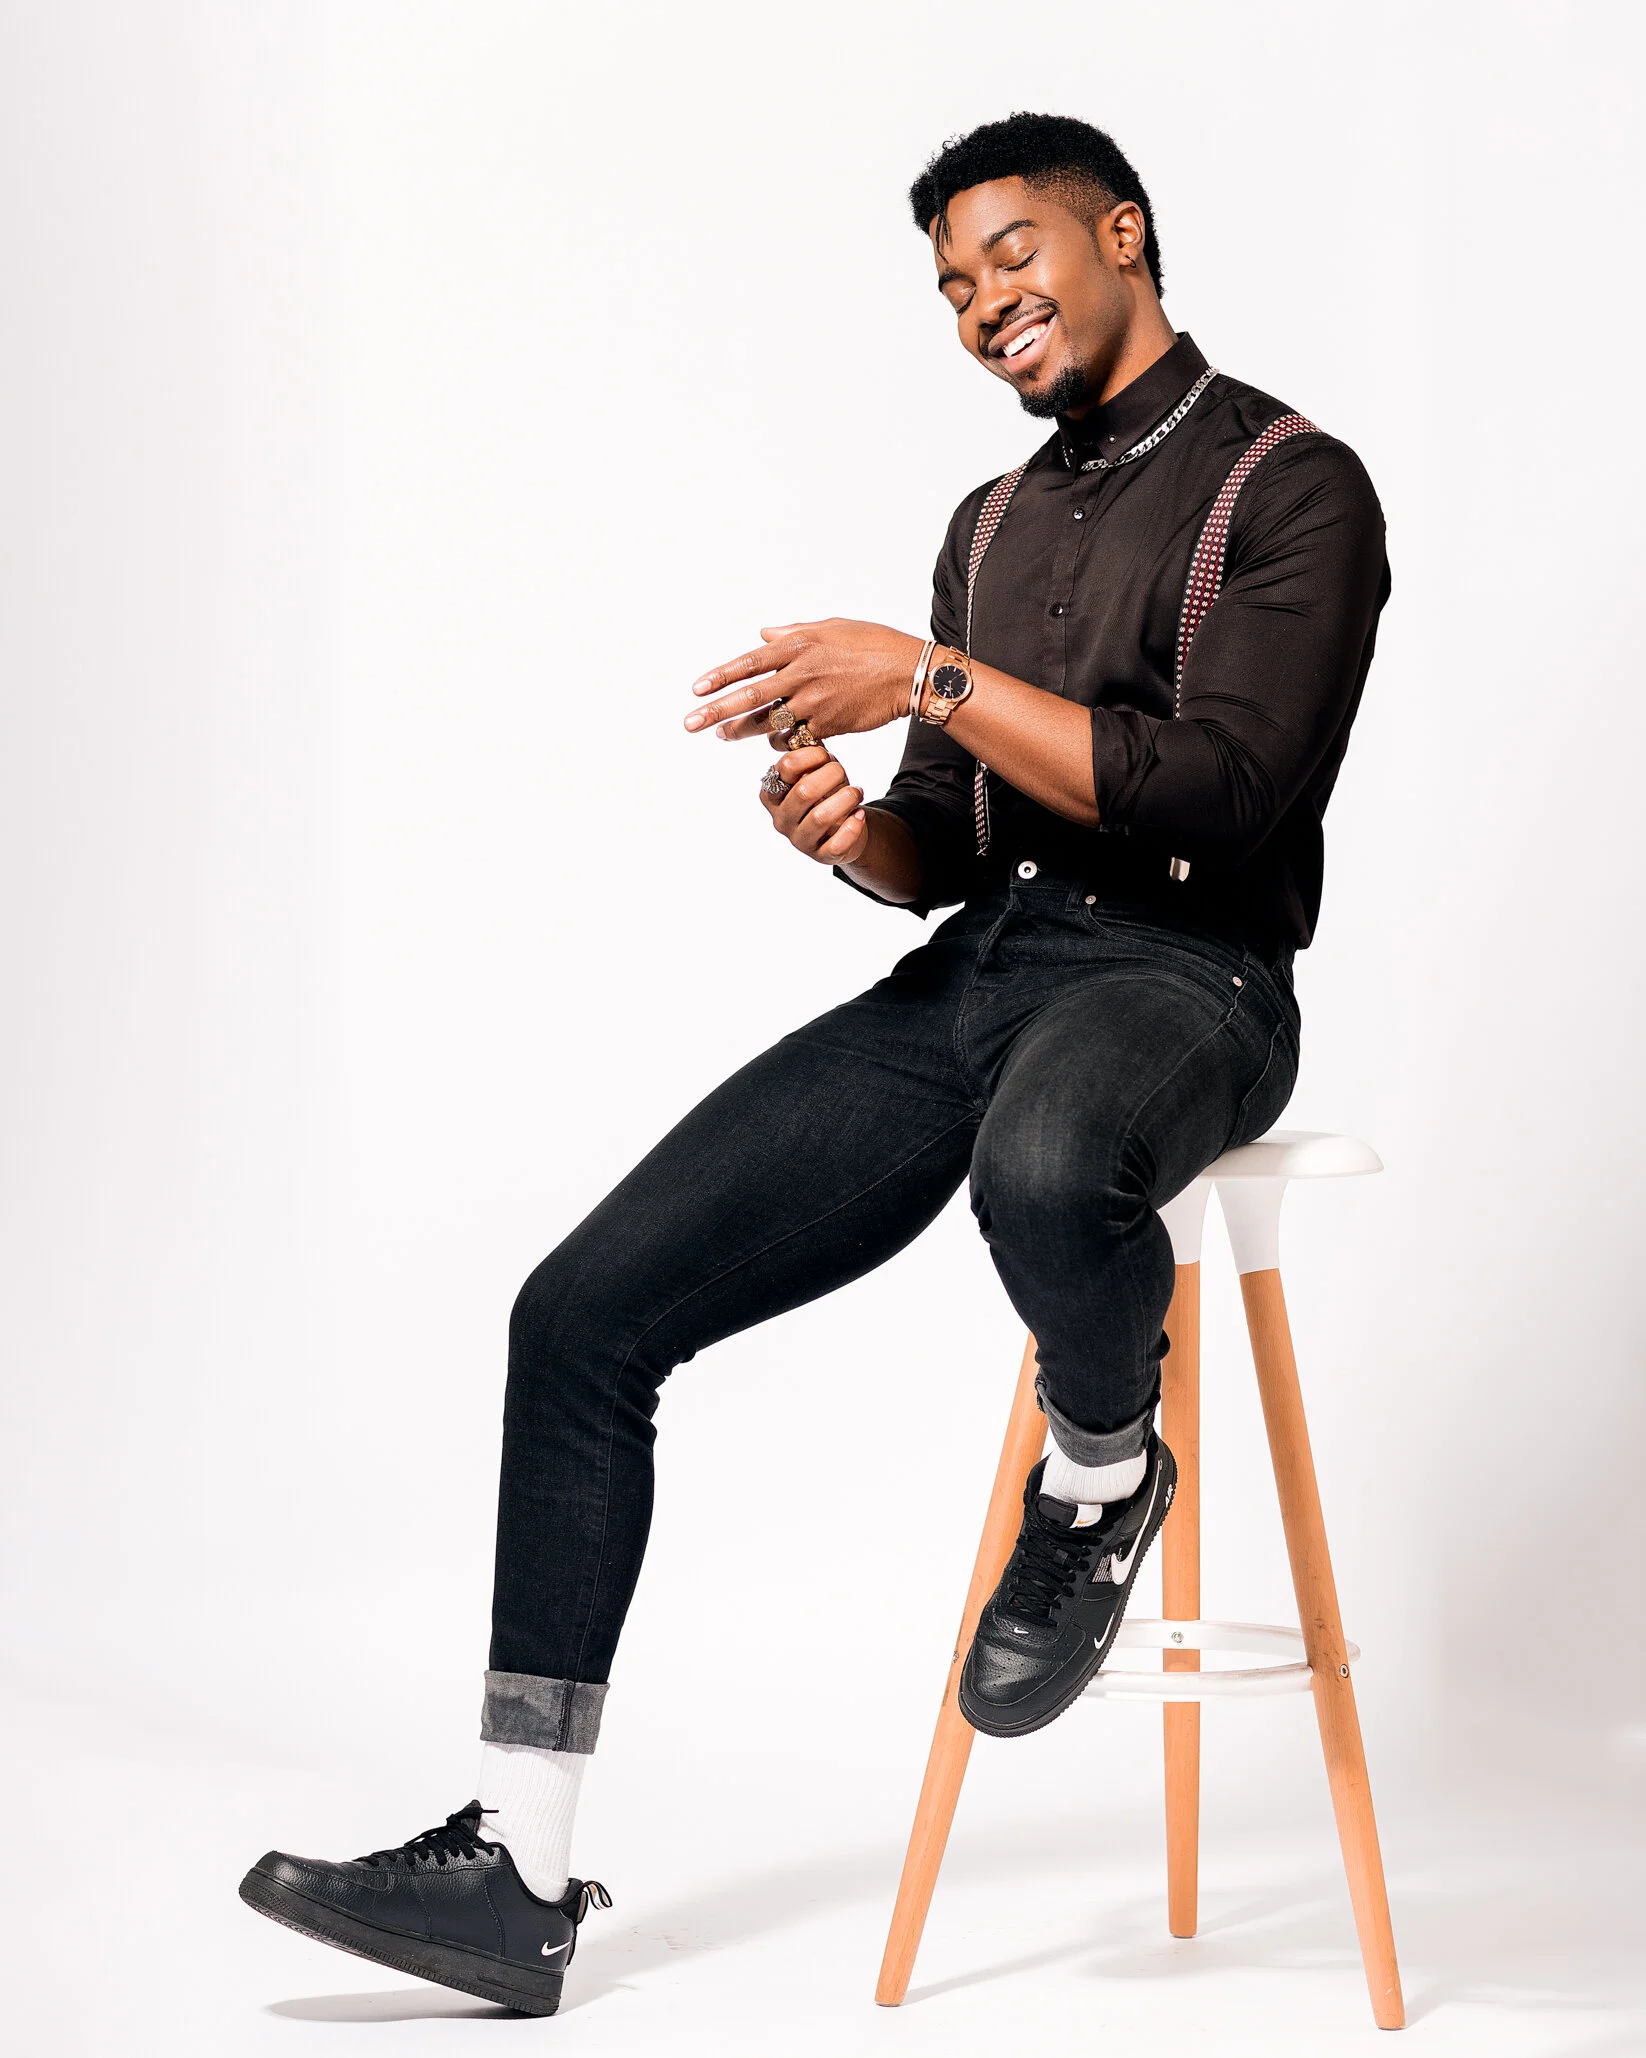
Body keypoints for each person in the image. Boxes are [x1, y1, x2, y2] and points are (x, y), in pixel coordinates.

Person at [239, 110, 1389, 2016]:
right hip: (988, 966)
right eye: (948, 283)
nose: (980, 301)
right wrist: (852, 828)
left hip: (1193, 976)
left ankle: (1101, 1474)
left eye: (1010, 253)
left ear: (1120, 234)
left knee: (1044, 1164)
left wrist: (924, 678)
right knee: (581, 1312)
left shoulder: (1295, 484)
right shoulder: (993, 524)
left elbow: (1221, 793)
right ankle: (516, 1872)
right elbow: (948, 842)